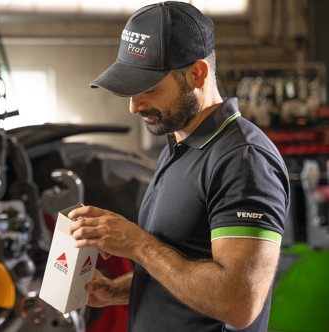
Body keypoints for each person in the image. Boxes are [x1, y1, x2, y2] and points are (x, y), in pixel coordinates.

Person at [68, 2, 289, 332]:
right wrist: (121, 290)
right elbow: (186, 260)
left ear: (197, 73)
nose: (134, 106)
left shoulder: (244, 160)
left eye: (150, 88)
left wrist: (138, 245)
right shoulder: (179, 145)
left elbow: (238, 303)